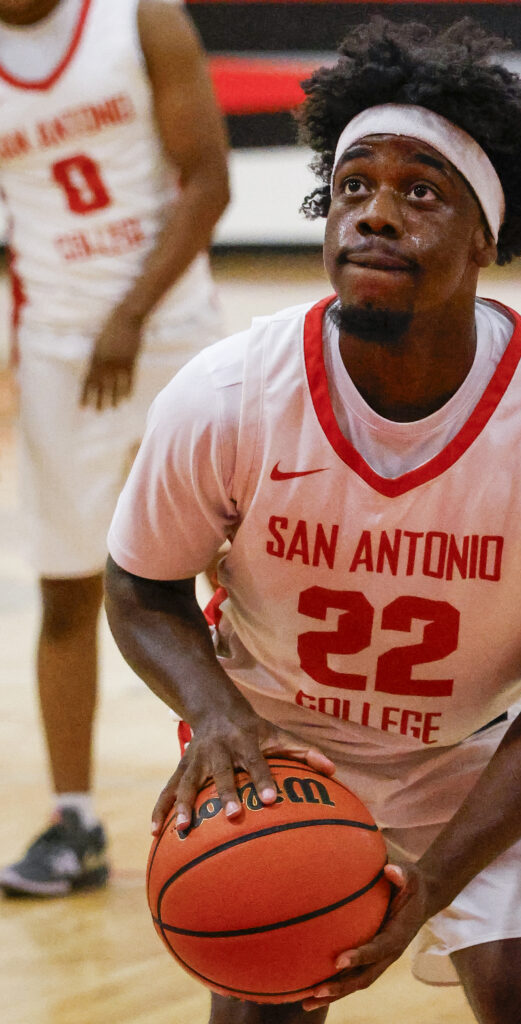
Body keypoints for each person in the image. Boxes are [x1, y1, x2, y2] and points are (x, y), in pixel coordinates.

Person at [104, 17, 521, 1024]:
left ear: (487, 236)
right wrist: (222, 713)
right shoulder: (230, 393)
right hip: (282, 748)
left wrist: (429, 892)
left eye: (420, 192)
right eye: (353, 187)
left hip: (473, 758)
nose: (376, 215)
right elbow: (140, 584)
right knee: (264, 1005)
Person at [0, 0, 230, 897]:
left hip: (171, 330)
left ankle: (285, 779)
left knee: (241, 576)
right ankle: (75, 825)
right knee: (66, 590)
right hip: (57, 345)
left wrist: (130, 316)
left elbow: (208, 181)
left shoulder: (141, 19)